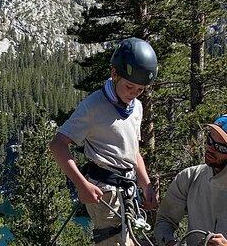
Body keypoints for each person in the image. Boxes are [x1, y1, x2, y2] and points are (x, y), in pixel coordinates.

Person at [49, 37, 158, 246]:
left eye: (140, 90)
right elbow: (58, 145)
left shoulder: (136, 107)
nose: (134, 94)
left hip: (127, 190)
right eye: (129, 87)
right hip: (104, 193)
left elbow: (133, 151)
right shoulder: (93, 106)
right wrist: (82, 185)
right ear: (114, 73)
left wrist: (146, 185)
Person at [154, 114, 227, 246]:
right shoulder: (189, 177)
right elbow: (164, 220)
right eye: (210, 141)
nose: (210, 148)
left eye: (220, 147)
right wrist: (170, 243)